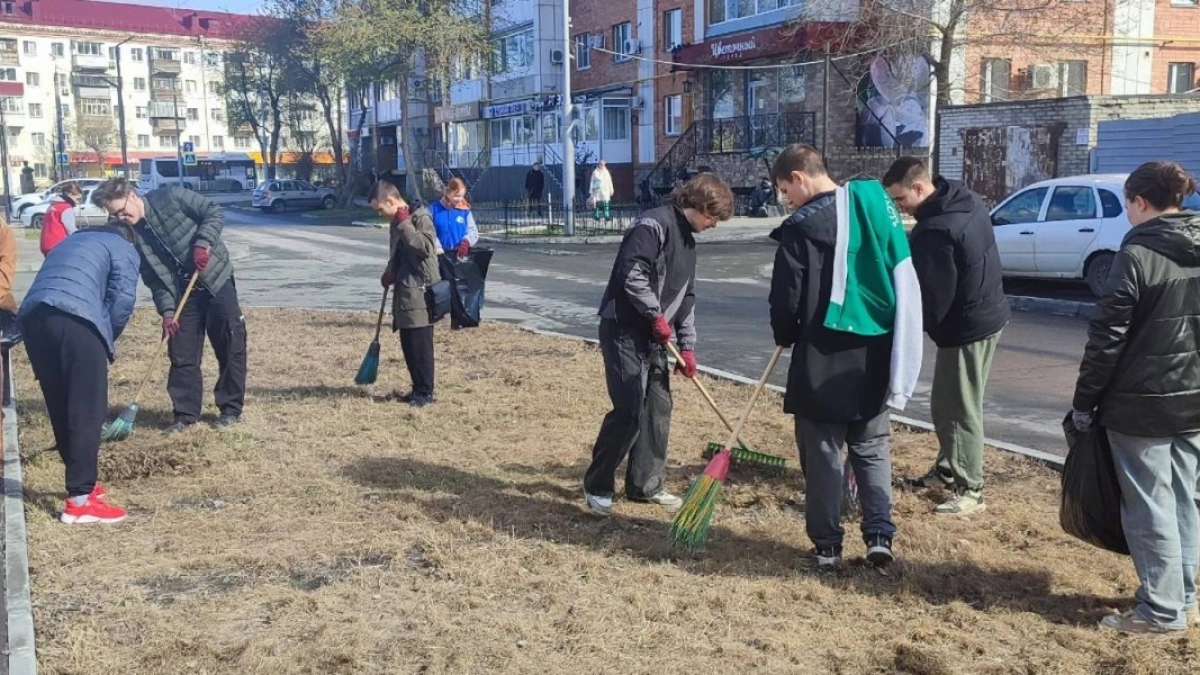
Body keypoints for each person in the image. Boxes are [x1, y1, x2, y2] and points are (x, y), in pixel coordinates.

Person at [769, 144, 923, 570]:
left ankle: (827, 545)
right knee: (871, 446)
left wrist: (784, 332)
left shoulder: (801, 229)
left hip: (822, 353)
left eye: (785, 190)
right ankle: (878, 535)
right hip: (874, 350)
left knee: (821, 452)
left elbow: (786, 297)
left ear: (800, 177)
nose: (787, 200)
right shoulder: (876, 212)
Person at [1072, 161, 1200, 636]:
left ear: (1140, 202)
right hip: (1193, 399)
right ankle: (1183, 597)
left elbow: (1107, 338)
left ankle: (1161, 611)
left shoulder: (1137, 254)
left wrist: (1085, 401)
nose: (1126, 211)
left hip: (1140, 401)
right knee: (1185, 496)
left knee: (1149, 504)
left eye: (1126, 202)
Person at [583, 172, 734, 516]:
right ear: (696, 204)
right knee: (630, 408)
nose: (713, 225)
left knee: (657, 410)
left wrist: (688, 345)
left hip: (656, 336)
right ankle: (597, 485)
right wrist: (654, 315)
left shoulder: (689, 242)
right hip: (625, 328)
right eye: (712, 217)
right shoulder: (653, 225)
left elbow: (686, 297)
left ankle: (645, 485)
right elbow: (631, 273)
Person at [883, 157, 1010, 516]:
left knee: (956, 408)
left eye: (901, 199)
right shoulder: (962, 197)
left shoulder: (935, 231)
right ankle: (946, 470)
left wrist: (903, 332)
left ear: (920, 188)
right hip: (990, 314)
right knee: (953, 402)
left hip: (967, 328)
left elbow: (933, 299)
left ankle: (971, 490)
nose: (900, 209)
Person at [91, 178, 247, 433]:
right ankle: (185, 415)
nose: (122, 218)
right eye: (115, 215)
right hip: (181, 296)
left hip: (215, 280)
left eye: (122, 211)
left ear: (131, 195)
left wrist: (202, 242)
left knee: (230, 344)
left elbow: (213, 212)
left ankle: (230, 409)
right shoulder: (134, 236)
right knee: (181, 354)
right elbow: (155, 280)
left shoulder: (172, 196)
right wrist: (167, 312)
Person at [17, 222, 140, 523]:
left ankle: (82, 483)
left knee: (60, 403)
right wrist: (105, 337)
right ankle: (80, 501)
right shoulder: (123, 246)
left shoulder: (67, 244)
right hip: (77, 320)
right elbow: (122, 300)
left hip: (34, 319)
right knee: (87, 408)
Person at [370, 180, 440, 408]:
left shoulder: (419, 217)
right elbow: (398, 255)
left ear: (390, 200)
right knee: (408, 343)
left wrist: (405, 225)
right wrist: (389, 273)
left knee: (420, 344)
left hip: (420, 291)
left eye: (380, 209)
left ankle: (426, 392)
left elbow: (426, 248)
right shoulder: (397, 221)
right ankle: (417, 388)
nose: (381, 214)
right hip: (404, 289)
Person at [429, 178, 479, 257]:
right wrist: (437, 246)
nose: (460, 199)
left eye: (462, 196)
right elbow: (429, 231)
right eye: (457, 196)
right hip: (439, 255)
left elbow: (473, 231)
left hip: (459, 256)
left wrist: (466, 241)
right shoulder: (433, 209)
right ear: (448, 193)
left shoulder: (464, 211)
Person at [40, 182, 82, 257]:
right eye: (78, 199)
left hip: (46, 243)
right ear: (70, 195)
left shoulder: (53, 206)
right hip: (58, 245)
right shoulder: (66, 208)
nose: (78, 202)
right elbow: (70, 230)